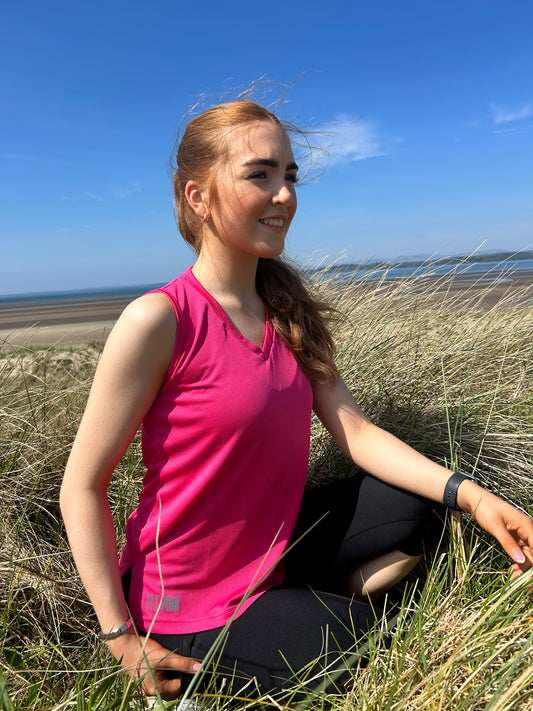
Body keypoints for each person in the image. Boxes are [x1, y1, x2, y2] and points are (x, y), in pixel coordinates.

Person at [60, 99, 533, 703]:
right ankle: (281, 627)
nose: (284, 194)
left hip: (271, 550)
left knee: (422, 502)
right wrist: (121, 639)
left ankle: (301, 603)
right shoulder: (160, 319)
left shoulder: (287, 311)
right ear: (197, 197)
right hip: (180, 598)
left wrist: (474, 494)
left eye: (289, 176)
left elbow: (356, 433)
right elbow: (81, 487)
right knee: (361, 644)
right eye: (259, 175)